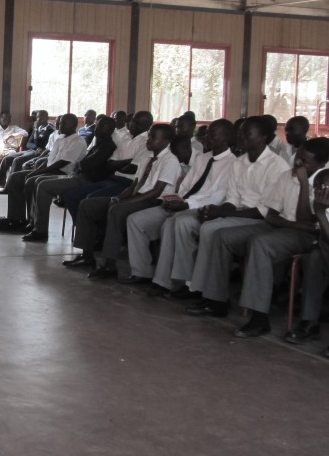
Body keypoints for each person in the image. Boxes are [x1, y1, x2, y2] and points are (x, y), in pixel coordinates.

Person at [218, 138, 328, 338]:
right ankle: (215, 298)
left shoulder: (324, 182)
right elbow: (271, 215)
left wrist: (304, 184)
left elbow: (308, 221)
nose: (299, 164)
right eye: (298, 158)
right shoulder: (287, 176)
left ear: (321, 164)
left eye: (306, 161)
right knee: (224, 236)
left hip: (309, 236)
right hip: (285, 228)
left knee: (261, 243)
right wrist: (293, 224)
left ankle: (259, 317)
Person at [185, 116, 292, 318]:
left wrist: (224, 213)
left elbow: (264, 211)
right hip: (240, 214)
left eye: (247, 133)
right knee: (209, 224)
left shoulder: (276, 166)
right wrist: (217, 211)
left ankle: (210, 295)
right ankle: (206, 292)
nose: (241, 136)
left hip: (263, 221)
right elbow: (233, 198)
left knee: (213, 230)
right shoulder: (240, 162)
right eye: (241, 132)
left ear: (263, 137)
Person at [126, 119, 237, 298]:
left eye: (213, 134)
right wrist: (176, 199)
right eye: (207, 133)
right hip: (182, 204)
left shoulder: (233, 164)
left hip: (203, 209)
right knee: (136, 220)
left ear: (227, 138)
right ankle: (142, 272)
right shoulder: (202, 158)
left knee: (173, 224)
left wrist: (187, 205)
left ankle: (171, 282)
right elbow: (186, 186)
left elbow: (218, 196)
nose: (207, 137)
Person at [64, 124, 180, 277]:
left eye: (154, 138)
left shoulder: (170, 161)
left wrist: (126, 202)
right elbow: (135, 185)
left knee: (117, 210)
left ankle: (109, 264)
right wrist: (118, 197)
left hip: (153, 201)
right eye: (149, 136)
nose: (149, 140)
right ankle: (86, 255)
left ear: (166, 141)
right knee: (88, 205)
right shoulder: (147, 157)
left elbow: (155, 192)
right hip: (137, 196)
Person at [21, 115, 117, 242]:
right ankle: (35, 223)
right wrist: (82, 164)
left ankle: (41, 230)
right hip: (77, 175)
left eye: (100, 127)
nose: (96, 129)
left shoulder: (107, 145)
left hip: (87, 180)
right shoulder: (97, 142)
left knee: (43, 185)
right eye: (97, 126)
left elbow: (85, 164)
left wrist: (82, 164)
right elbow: (83, 162)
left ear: (109, 130)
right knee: (38, 180)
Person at [0, 113, 85, 231]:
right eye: (58, 123)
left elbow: (61, 164)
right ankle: (16, 218)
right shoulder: (60, 138)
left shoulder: (78, 141)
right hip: (52, 170)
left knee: (31, 181)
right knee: (15, 177)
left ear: (73, 125)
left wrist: (37, 172)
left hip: (63, 174)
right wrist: (36, 170)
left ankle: (33, 222)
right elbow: (50, 160)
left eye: (62, 123)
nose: (58, 125)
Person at [285, 169, 329, 349]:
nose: (321, 192)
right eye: (318, 188)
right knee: (314, 259)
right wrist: (305, 186)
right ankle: (309, 321)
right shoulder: (320, 203)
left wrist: (320, 213)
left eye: (325, 187)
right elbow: (303, 220)